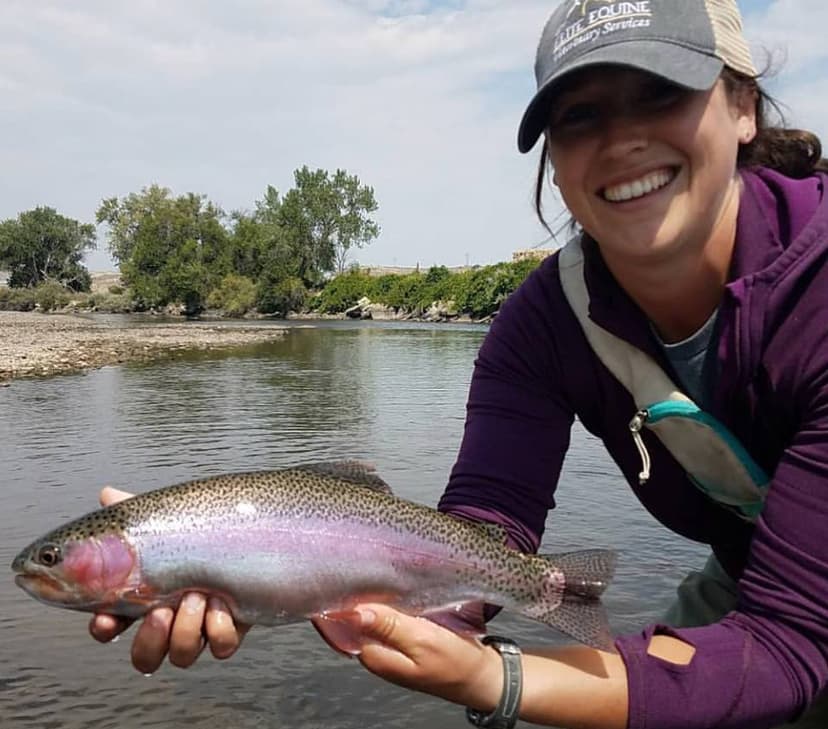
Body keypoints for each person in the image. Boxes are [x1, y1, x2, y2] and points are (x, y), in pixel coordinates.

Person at [90, 0, 828, 727]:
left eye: (660, 92)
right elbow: (491, 523)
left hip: (793, 621)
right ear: (554, 159)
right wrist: (272, 565)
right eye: (580, 115)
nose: (622, 139)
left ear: (742, 107)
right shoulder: (543, 323)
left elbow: (789, 642)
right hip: (761, 580)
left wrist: (496, 678)